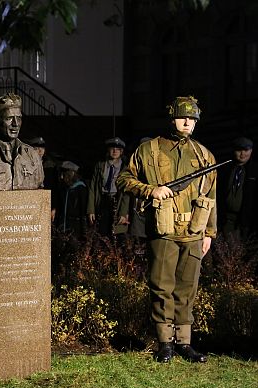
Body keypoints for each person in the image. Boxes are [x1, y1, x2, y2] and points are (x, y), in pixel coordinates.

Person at [117, 95, 215, 363]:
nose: (187, 122)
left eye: (192, 118)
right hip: (164, 230)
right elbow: (124, 179)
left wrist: (209, 233)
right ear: (172, 118)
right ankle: (164, 343)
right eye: (182, 117)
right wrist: (152, 190)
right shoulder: (149, 150)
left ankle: (184, 343)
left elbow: (211, 196)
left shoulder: (205, 155)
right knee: (162, 287)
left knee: (187, 290)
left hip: (193, 232)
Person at [87, 137, 129, 237]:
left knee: (116, 234)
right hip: (102, 201)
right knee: (101, 233)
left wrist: (123, 213)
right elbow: (93, 188)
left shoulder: (124, 168)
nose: (115, 151)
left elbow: (126, 193)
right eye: (112, 148)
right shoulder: (100, 166)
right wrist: (91, 210)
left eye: (118, 149)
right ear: (108, 150)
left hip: (116, 201)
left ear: (121, 151)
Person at [217, 136, 258, 240]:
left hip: (246, 221)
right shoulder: (225, 169)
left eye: (246, 150)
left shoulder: (254, 170)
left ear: (251, 151)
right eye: (239, 150)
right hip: (225, 219)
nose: (242, 154)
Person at [24, 136, 59, 221]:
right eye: (36, 148)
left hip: (46, 203)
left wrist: (54, 207)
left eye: (42, 148)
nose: (40, 151)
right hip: (29, 203)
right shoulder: (25, 164)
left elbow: (55, 188)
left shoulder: (50, 166)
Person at [54, 161, 87, 239]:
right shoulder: (64, 188)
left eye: (64, 175)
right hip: (63, 225)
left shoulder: (81, 188)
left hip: (75, 227)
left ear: (72, 174)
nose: (62, 177)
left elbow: (83, 210)